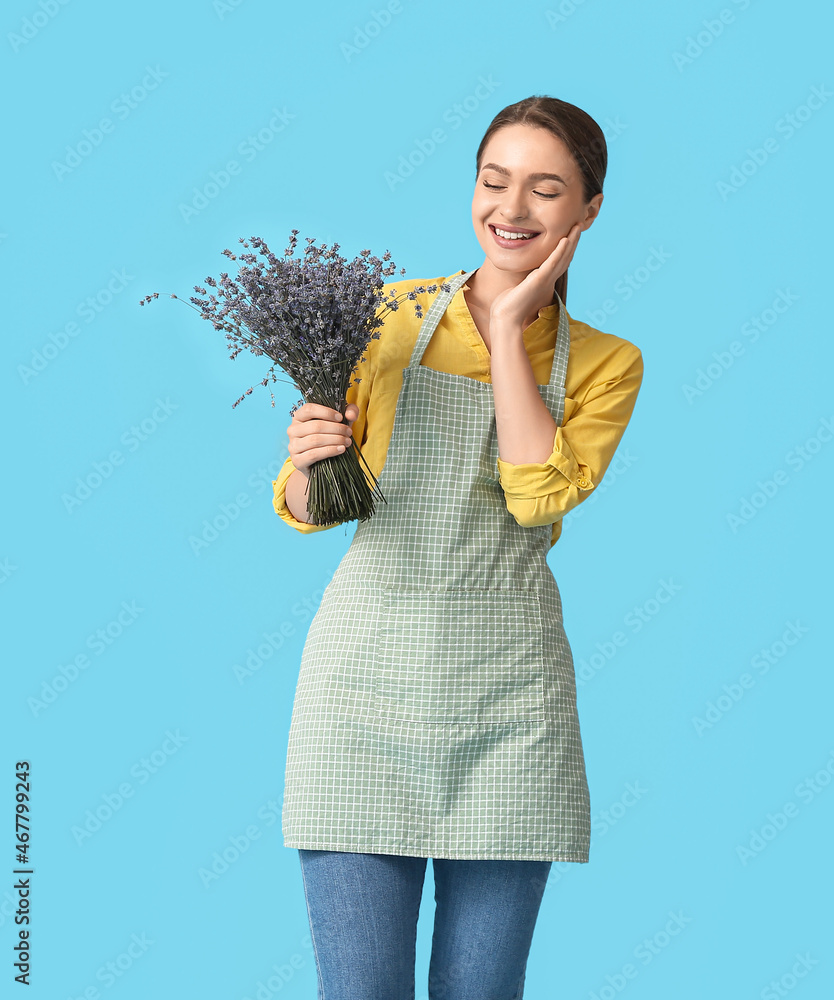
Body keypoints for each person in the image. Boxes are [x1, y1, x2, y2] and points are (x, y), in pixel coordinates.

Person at [270, 95, 644, 1000]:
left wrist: (510, 332)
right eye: (494, 181)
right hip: (360, 694)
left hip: (511, 707)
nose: (511, 211)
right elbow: (307, 510)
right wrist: (307, 459)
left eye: (545, 190)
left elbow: (536, 498)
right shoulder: (383, 315)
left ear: (588, 210)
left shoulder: (606, 362)